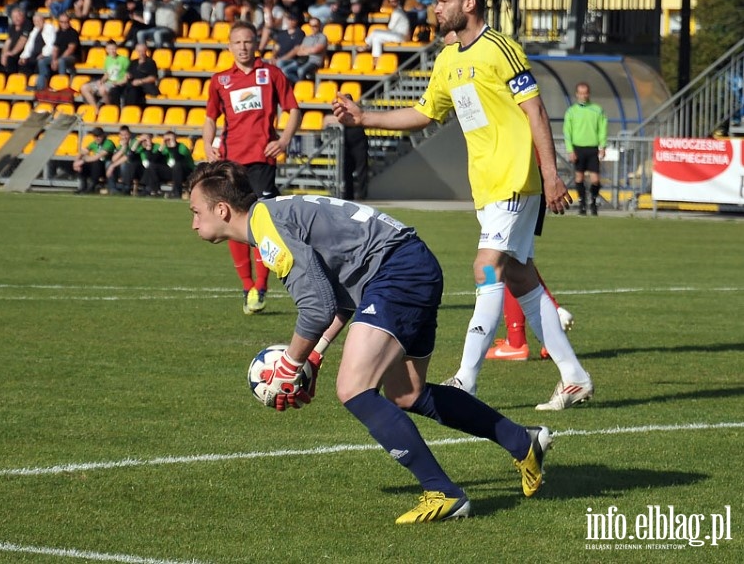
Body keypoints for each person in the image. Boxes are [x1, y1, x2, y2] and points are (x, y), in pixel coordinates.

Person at [188, 160, 553, 523]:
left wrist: (289, 364)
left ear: (222, 209)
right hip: (408, 264)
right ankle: (522, 441)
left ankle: (442, 492)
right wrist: (314, 356)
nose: (193, 223)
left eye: (196, 212)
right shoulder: (275, 213)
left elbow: (316, 307)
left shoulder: (267, 229)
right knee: (407, 393)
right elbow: (340, 296)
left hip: (396, 272)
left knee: (353, 388)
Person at [332, 0, 594, 411]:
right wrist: (365, 118)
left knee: (485, 268)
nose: (436, 7)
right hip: (487, 188)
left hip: (515, 180)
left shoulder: (500, 49)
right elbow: (424, 113)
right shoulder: (448, 59)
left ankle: (466, 378)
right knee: (519, 277)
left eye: (443, 0)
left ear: (468, 4)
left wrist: (550, 173)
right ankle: (574, 377)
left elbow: (535, 112)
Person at [203, 20, 301, 315]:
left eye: (248, 41)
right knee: (233, 223)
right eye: (238, 42)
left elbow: (293, 108)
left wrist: (283, 139)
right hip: (231, 162)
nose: (243, 47)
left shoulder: (270, 74)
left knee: (261, 223)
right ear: (230, 46)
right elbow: (210, 118)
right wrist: (208, 144)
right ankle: (247, 286)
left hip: (262, 160)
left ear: (255, 43)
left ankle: (261, 285)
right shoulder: (220, 80)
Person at [563, 82, 608, 216]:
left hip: (593, 147)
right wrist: (570, 150)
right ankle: (582, 204)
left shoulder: (597, 110)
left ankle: (593, 202)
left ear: (589, 94)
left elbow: (603, 129)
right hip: (578, 148)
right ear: (577, 94)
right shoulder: (571, 111)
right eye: (580, 93)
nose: (583, 96)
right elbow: (567, 131)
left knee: (595, 179)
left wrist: (602, 146)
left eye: (585, 93)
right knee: (579, 177)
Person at [360, 0, 410, 66]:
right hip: (397, 34)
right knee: (376, 38)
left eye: (394, 1)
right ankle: (376, 60)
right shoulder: (396, 11)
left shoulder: (397, 12)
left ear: (398, 1)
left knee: (375, 32)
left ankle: (366, 45)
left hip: (401, 36)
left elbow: (390, 28)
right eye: (390, 1)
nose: (392, 3)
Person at [143, 130, 195, 198]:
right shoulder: (165, 148)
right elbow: (153, 160)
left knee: (177, 166)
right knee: (152, 166)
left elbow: (178, 159)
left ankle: (176, 193)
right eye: (166, 139)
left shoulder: (182, 147)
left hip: (185, 172)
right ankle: (155, 190)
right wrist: (160, 148)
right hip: (172, 171)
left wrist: (173, 146)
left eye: (169, 139)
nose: (168, 141)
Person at [36, 13, 81, 91]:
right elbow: (55, 48)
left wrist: (57, 60)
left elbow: (71, 49)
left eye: (66, 22)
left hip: (72, 56)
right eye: (62, 22)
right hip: (60, 56)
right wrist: (53, 60)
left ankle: (62, 85)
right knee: (42, 61)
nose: (64, 24)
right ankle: (43, 85)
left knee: (61, 61)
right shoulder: (58, 33)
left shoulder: (73, 33)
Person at [80, 40, 130, 108]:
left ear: (116, 48)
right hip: (108, 83)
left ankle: (109, 108)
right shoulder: (107, 59)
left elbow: (127, 76)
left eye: (113, 49)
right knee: (84, 87)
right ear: (106, 50)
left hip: (117, 84)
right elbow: (107, 74)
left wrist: (118, 83)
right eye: (109, 49)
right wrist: (101, 80)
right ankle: (95, 108)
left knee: (102, 90)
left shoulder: (124, 60)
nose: (112, 51)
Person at [279, 16, 327, 83]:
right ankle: (298, 84)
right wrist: (309, 50)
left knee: (300, 71)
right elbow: (299, 52)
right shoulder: (307, 38)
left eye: (315, 26)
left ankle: (301, 86)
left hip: (314, 62)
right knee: (284, 69)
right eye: (311, 26)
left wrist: (306, 50)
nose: (313, 28)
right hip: (303, 60)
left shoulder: (322, 37)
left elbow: (316, 50)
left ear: (319, 26)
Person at [72, 126, 116, 194]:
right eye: (95, 136)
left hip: (106, 166)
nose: (97, 138)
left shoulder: (108, 143)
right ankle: (83, 186)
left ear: (103, 135)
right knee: (83, 165)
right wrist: (75, 162)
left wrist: (82, 161)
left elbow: (98, 156)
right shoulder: (94, 143)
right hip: (96, 166)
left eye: (99, 136)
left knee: (96, 163)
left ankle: (92, 187)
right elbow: (82, 152)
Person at [0, 7, 31, 76]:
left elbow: (22, 41)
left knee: (10, 59)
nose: (16, 19)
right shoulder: (12, 27)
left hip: (21, 53)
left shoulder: (27, 24)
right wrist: (4, 54)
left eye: (18, 16)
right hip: (10, 53)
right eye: (14, 17)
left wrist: (12, 53)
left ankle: (10, 79)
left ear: (22, 16)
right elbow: (8, 41)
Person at [19, 12, 56, 81]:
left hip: (46, 54)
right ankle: (26, 83)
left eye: (39, 21)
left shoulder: (49, 28)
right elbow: (29, 45)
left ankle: (40, 83)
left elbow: (51, 44)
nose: (37, 23)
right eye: (35, 21)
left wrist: (43, 54)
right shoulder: (35, 31)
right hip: (34, 54)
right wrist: (23, 56)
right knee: (23, 63)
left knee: (38, 62)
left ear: (43, 20)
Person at [121, 42, 159, 107]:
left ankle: (131, 111)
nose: (141, 53)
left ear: (146, 51)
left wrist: (140, 81)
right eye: (139, 51)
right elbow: (128, 73)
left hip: (143, 86)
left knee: (133, 92)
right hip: (132, 85)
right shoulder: (133, 62)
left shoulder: (151, 62)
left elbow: (153, 78)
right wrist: (127, 76)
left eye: (142, 51)